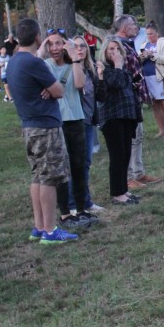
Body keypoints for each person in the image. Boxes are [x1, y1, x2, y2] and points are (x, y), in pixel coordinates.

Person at [5, 18, 78, 245]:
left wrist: (47, 87)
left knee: (37, 175)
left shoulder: (14, 62)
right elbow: (58, 91)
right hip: (46, 127)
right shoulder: (35, 63)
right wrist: (50, 87)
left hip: (29, 126)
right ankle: (50, 230)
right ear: (38, 37)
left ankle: (38, 227)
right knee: (49, 179)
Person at [39, 29, 98, 229]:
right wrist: (41, 50)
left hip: (77, 119)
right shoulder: (45, 65)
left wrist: (75, 58)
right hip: (57, 122)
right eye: (50, 44)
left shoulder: (74, 64)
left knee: (79, 166)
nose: (55, 48)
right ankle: (66, 211)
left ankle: (81, 209)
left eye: (58, 43)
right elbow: (38, 81)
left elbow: (80, 84)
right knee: (62, 170)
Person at [113, 15, 161, 189]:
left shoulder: (128, 43)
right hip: (124, 100)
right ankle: (127, 178)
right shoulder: (116, 45)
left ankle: (138, 173)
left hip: (135, 98)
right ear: (124, 28)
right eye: (133, 25)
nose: (137, 27)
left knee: (137, 136)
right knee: (128, 139)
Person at [97, 36, 142, 205]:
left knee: (125, 154)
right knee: (117, 155)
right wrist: (118, 66)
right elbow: (116, 84)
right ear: (104, 51)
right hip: (112, 117)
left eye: (117, 49)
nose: (115, 52)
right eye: (111, 49)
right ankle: (117, 193)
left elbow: (125, 84)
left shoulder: (122, 68)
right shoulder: (104, 69)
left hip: (127, 115)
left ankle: (124, 190)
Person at [69, 35, 103, 214]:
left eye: (82, 46)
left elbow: (99, 96)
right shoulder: (69, 69)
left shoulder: (91, 70)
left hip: (89, 121)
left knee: (86, 162)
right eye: (75, 46)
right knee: (74, 163)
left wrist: (101, 77)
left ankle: (86, 201)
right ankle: (72, 205)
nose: (80, 49)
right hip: (75, 122)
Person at [141, 21, 164, 138]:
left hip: (160, 77)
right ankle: (161, 130)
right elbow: (139, 61)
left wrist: (152, 55)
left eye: (151, 33)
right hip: (147, 77)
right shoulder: (144, 45)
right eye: (148, 34)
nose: (149, 36)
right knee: (155, 104)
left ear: (157, 33)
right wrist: (142, 57)